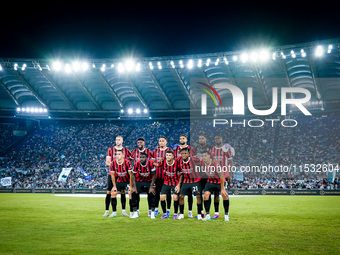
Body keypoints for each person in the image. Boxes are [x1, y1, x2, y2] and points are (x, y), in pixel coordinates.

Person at [103, 135, 132, 217]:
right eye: (116, 140)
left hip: (122, 175)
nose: (117, 141)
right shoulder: (110, 150)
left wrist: (123, 163)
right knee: (109, 192)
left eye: (119, 140)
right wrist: (116, 164)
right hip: (112, 174)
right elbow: (107, 162)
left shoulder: (126, 150)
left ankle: (123, 211)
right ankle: (107, 211)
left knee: (123, 192)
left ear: (122, 141)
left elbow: (132, 158)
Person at [200, 151, 230, 221]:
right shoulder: (201, 163)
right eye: (203, 156)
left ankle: (226, 215)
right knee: (206, 195)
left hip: (220, 181)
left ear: (209, 156)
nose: (204, 157)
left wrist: (222, 189)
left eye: (205, 156)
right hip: (210, 181)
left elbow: (222, 175)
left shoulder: (215, 164)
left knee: (224, 195)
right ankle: (207, 215)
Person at [209, 135, 233, 219]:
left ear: (222, 139)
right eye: (215, 138)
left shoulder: (225, 150)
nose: (217, 140)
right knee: (216, 194)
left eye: (218, 138)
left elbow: (231, 162)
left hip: (224, 174)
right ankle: (216, 213)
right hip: (214, 175)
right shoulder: (212, 149)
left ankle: (227, 214)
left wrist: (230, 174)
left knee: (224, 193)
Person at [108, 150, 136, 218]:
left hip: (127, 181)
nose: (118, 156)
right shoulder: (113, 163)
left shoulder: (127, 162)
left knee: (130, 193)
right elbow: (113, 175)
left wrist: (131, 186)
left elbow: (131, 175)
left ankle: (131, 213)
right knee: (113, 193)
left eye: (119, 154)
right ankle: (114, 213)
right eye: (116, 154)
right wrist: (114, 186)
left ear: (123, 155)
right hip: (120, 181)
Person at [177, 147, 203, 220]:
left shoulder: (194, 160)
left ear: (189, 154)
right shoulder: (179, 162)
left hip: (195, 181)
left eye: (185, 153)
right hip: (186, 182)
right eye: (182, 153)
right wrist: (179, 184)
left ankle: (199, 214)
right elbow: (181, 173)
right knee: (181, 196)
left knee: (198, 197)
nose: (184, 155)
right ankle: (181, 214)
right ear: (180, 154)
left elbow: (202, 163)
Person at [174, 134, 196, 216]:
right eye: (180, 138)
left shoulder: (191, 149)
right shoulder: (176, 149)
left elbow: (193, 159)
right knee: (180, 194)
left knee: (190, 194)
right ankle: (180, 212)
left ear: (186, 140)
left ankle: (190, 211)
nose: (181, 140)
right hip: (179, 174)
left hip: (189, 174)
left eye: (183, 138)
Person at [131, 152, 157, 219]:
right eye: (140, 157)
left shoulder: (150, 163)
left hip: (149, 181)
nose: (141, 159)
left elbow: (154, 174)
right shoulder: (137, 164)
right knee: (134, 193)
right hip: (139, 181)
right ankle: (136, 212)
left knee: (152, 193)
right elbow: (133, 174)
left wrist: (151, 186)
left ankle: (152, 212)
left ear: (146, 158)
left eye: (143, 157)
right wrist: (134, 187)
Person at [157, 150, 182, 219]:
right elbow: (158, 165)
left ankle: (175, 214)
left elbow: (181, 174)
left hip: (175, 183)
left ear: (173, 156)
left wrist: (179, 185)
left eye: (170, 155)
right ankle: (165, 214)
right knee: (162, 197)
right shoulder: (163, 162)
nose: (168, 156)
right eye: (167, 155)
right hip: (166, 183)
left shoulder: (177, 163)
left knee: (175, 197)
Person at [152, 136, 173, 217]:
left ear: (166, 142)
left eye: (163, 141)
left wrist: (159, 164)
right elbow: (152, 162)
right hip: (157, 176)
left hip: (166, 177)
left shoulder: (169, 151)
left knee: (167, 194)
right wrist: (155, 164)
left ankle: (168, 210)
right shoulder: (155, 151)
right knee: (156, 194)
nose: (161, 142)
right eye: (160, 141)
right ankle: (156, 209)